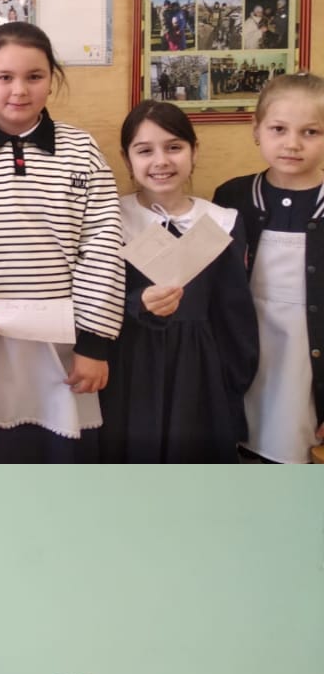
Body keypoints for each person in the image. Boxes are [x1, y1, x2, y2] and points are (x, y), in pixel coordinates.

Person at [0, 22, 124, 462]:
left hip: (66, 347)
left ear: (51, 78)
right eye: (4, 77)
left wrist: (94, 343)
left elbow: (103, 246)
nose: (19, 90)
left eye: (34, 76)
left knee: (64, 467)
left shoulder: (82, 151)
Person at [100, 100, 258, 461]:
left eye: (174, 147)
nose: (161, 161)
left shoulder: (222, 222)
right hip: (129, 366)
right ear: (127, 159)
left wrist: (232, 386)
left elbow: (235, 316)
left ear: (194, 151)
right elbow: (94, 297)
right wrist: (136, 303)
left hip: (199, 372)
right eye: (145, 151)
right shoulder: (112, 219)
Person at [214, 72, 324, 462]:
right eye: (279, 129)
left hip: (306, 361)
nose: (293, 143)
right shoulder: (232, 196)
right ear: (256, 130)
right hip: (246, 348)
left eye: (311, 132)